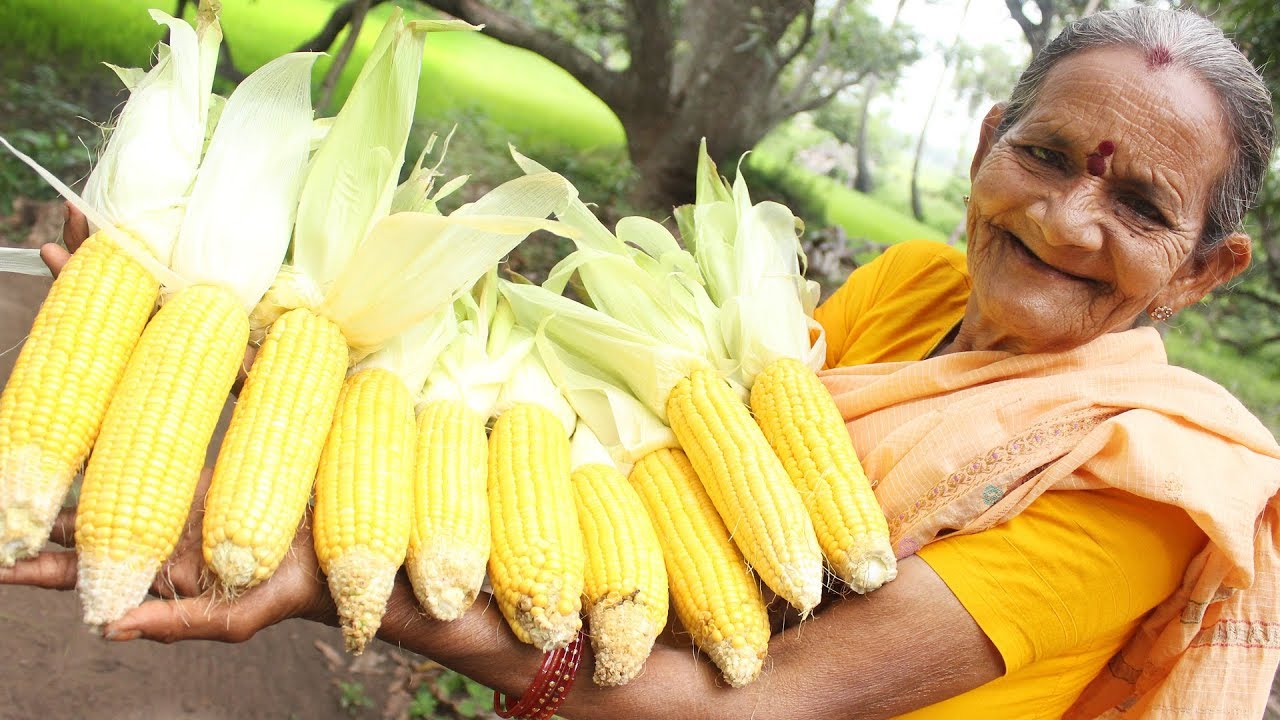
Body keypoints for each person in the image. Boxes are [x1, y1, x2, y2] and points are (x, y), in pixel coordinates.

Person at [3, 6, 1279, 718]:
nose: (1061, 222)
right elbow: (634, 470)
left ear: (1202, 270)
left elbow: (754, 705)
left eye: (1142, 210)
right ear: (989, 142)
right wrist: (244, 342)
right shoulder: (909, 289)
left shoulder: (1139, 486)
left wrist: (372, 597)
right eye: (1046, 157)